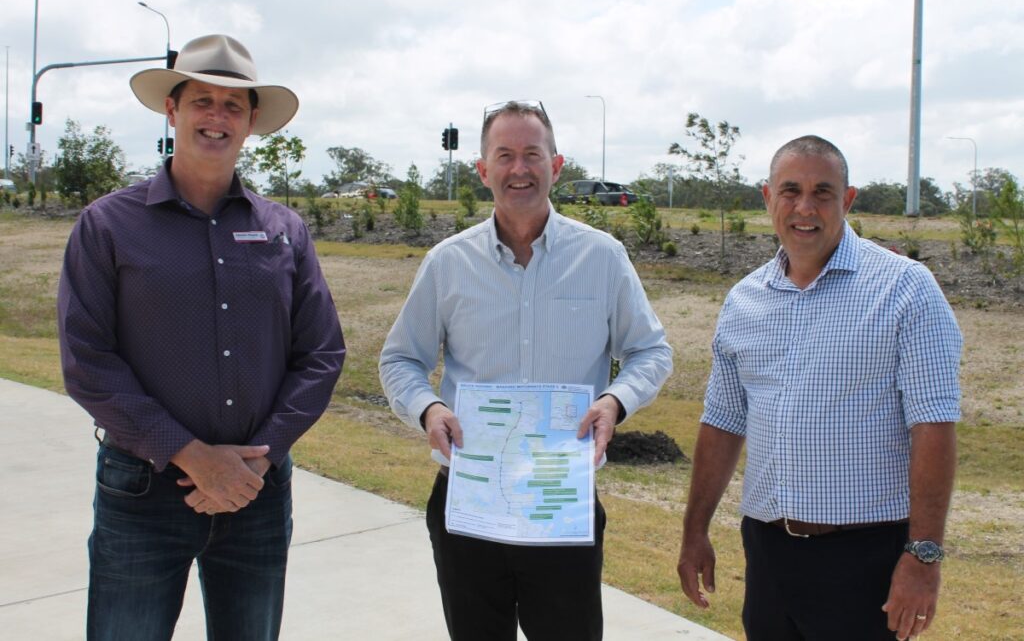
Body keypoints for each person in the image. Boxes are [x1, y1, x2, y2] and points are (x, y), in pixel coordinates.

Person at [57, 34, 345, 640]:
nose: (217, 117)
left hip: (257, 492)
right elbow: (87, 360)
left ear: (251, 122)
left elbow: (320, 354)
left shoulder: (283, 228)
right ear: (173, 110)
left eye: (232, 105)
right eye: (202, 101)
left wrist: (256, 460)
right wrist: (192, 454)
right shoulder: (108, 225)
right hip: (142, 490)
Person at [379, 100, 673, 640]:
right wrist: (429, 408)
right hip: (468, 504)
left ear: (556, 166)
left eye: (532, 154)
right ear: (483, 169)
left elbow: (651, 351)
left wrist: (614, 401)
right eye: (505, 155)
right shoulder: (448, 263)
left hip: (561, 506)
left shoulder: (602, 257)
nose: (519, 169)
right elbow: (400, 359)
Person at [676, 135, 961, 641]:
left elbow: (933, 426)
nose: (804, 208)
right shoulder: (744, 301)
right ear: (767, 198)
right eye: (790, 190)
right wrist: (694, 530)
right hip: (768, 553)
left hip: (864, 558)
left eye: (823, 192)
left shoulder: (904, 289)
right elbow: (722, 423)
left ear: (848, 200)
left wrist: (924, 555)